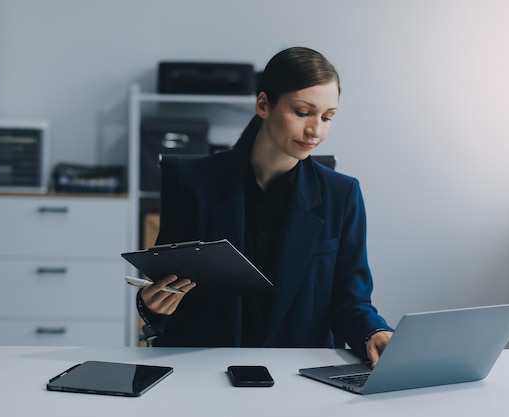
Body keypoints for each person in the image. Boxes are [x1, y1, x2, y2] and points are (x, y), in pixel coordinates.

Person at [137, 46, 393, 365]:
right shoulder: (191, 182)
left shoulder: (342, 195)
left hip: (297, 374)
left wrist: (374, 332)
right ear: (263, 105)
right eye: (303, 112)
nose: (316, 130)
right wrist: (151, 305)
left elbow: (352, 301)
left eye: (328, 117)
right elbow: (168, 284)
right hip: (203, 369)